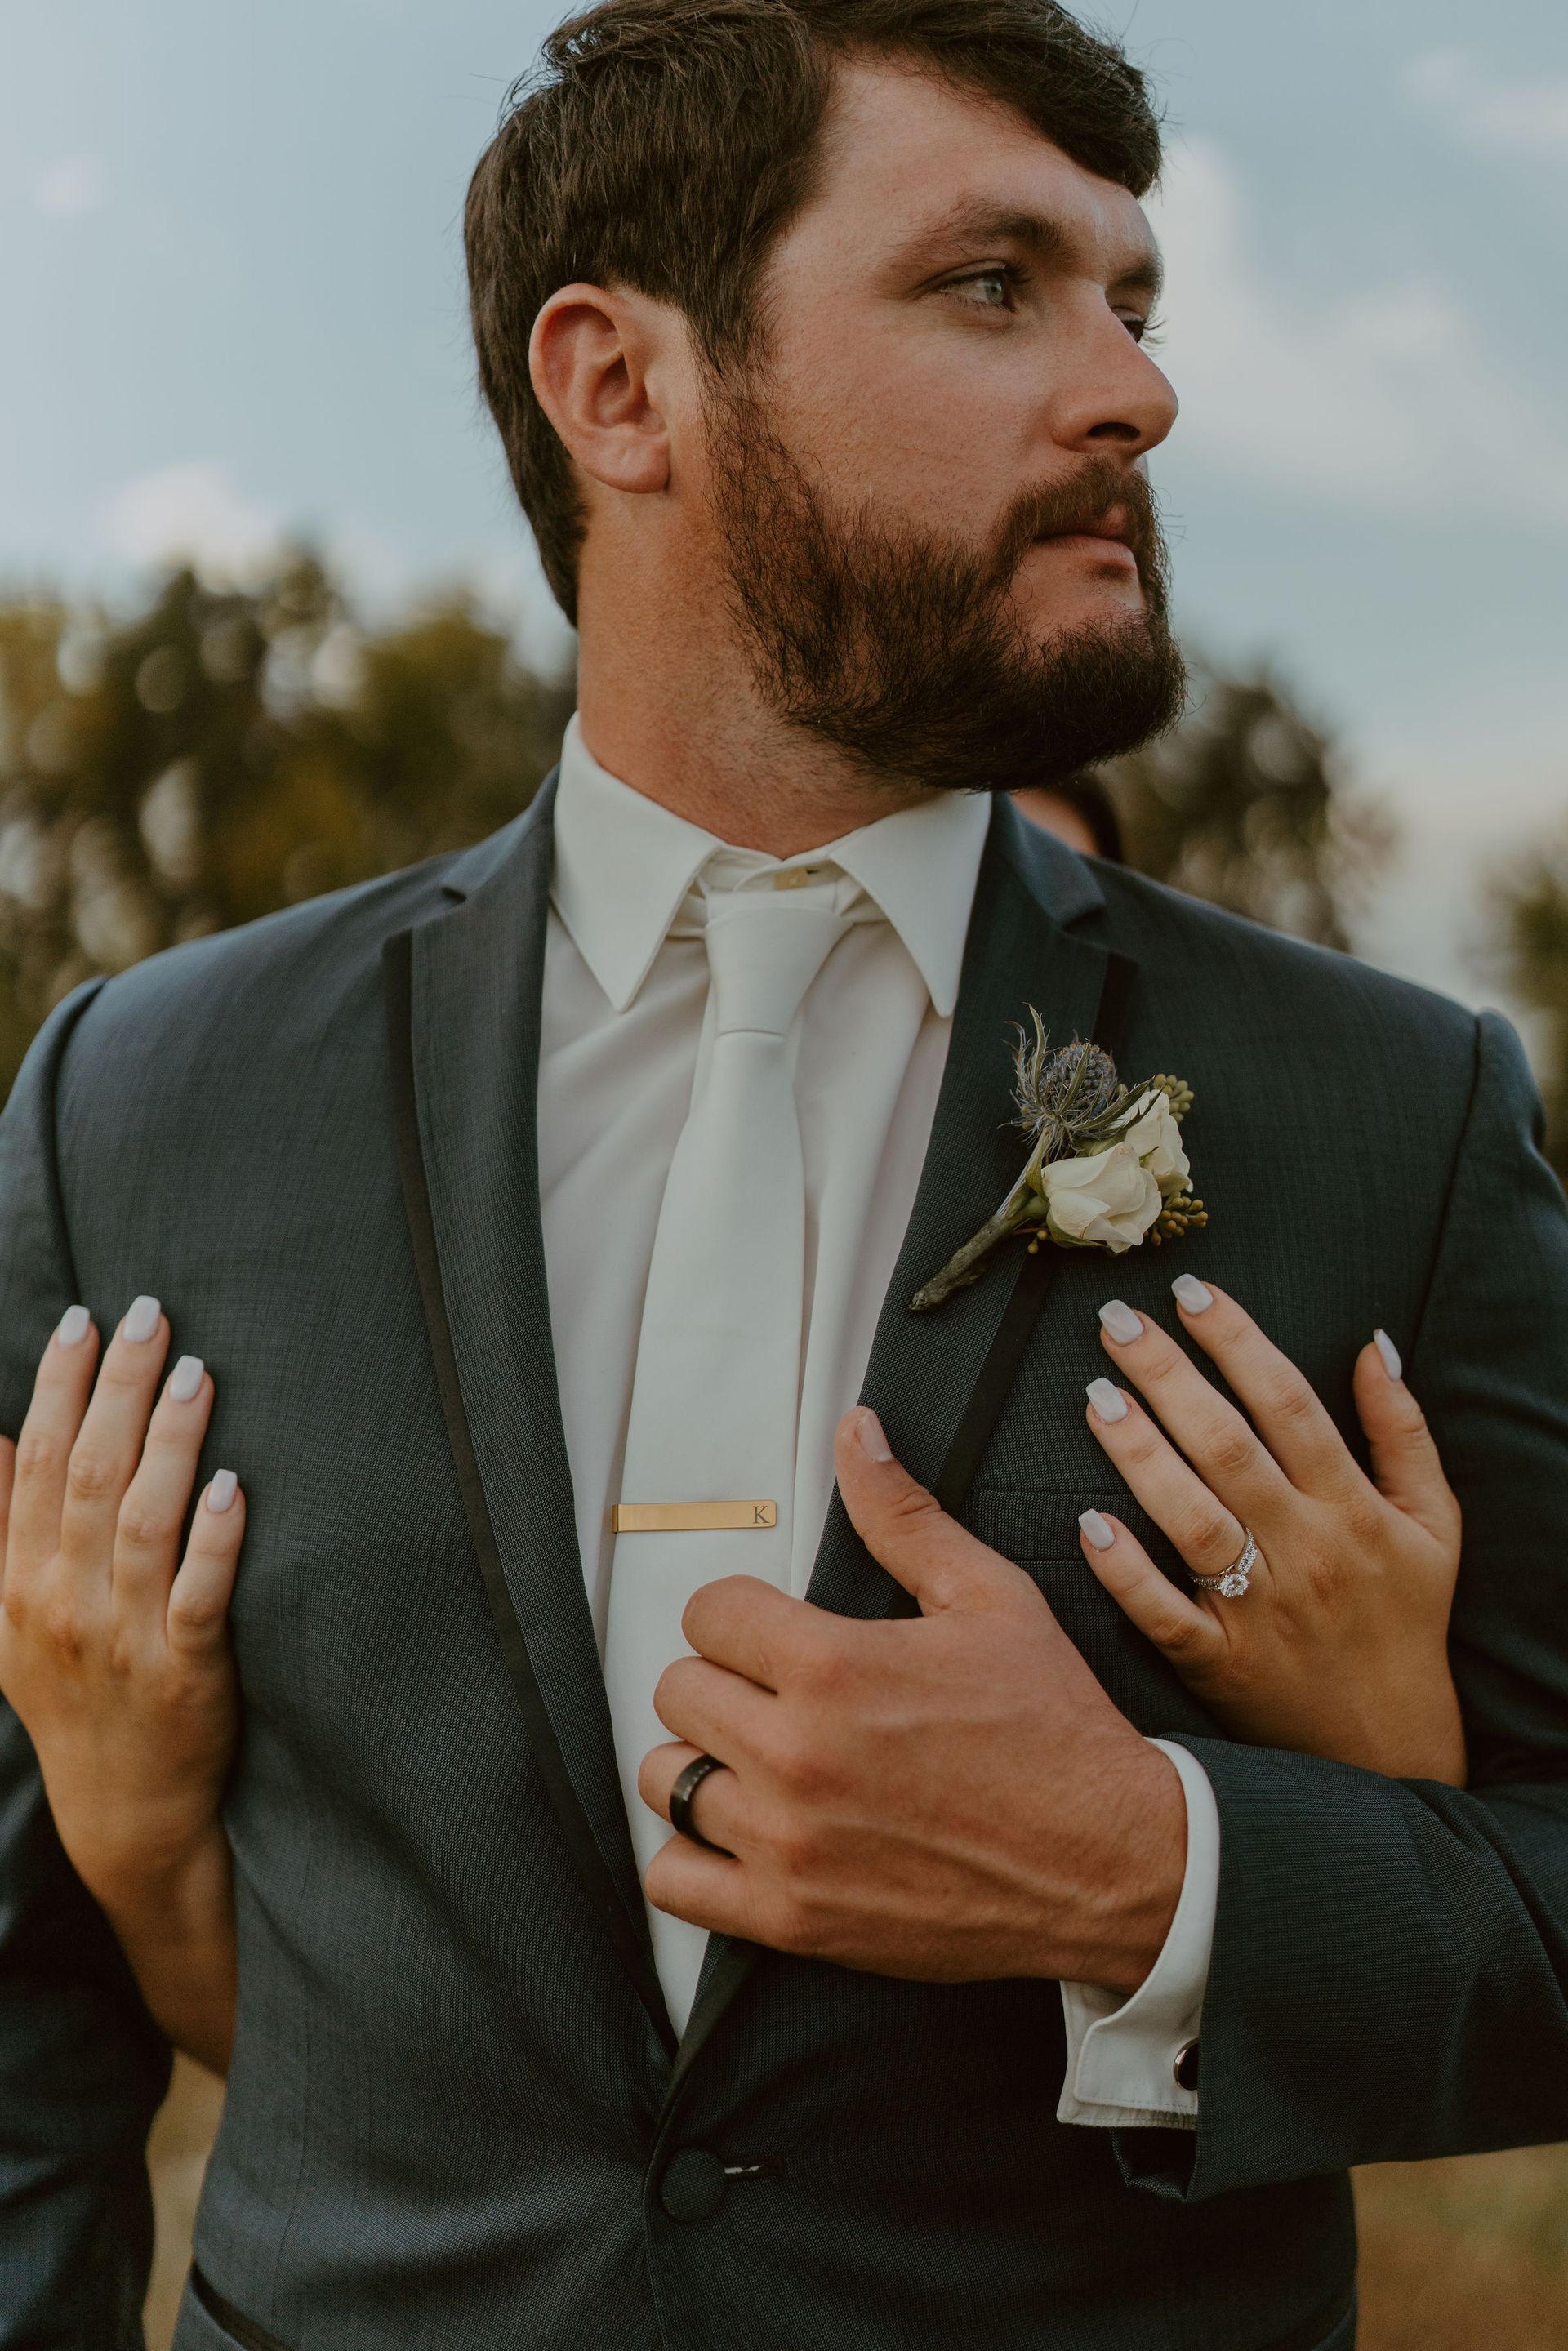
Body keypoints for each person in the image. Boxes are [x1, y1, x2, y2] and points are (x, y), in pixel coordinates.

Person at [2, 4, 1567, 2346]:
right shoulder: (141, 1100)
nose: (1135, 390)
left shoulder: (1393, 1112)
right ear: (622, 388)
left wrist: (1158, 1873)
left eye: (1134, 303)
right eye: (992, 286)